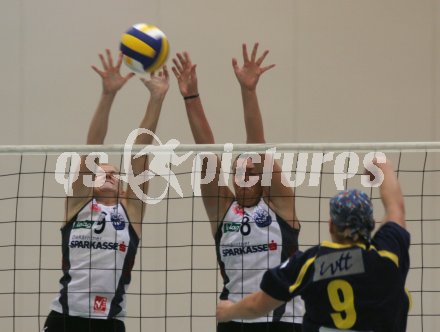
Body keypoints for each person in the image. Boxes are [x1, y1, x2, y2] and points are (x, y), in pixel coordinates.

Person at [172, 43, 304, 332]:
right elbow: (207, 153)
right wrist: (191, 97)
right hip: (234, 318)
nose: (244, 172)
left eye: (251, 170)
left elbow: (257, 146)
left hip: (282, 321)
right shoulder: (223, 210)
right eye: (238, 170)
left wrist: (248, 91)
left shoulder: (280, 205)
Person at [43, 49, 169, 332]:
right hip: (64, 319)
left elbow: (140, 151)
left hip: (109, 322)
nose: (109, 173)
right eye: (103, 171)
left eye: (115, 173)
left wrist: (156, 98)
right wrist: (108, 95)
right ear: (90, 182)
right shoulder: (78, 205)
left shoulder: (131, 211)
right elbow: (93, 146)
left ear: (124, 186)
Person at [216, 159, 411, 332]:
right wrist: (383, 166)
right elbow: (396, 209)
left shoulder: (311, 263)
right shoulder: (387, 256)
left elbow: (258, 305)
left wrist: (228, 311)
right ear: (372, 224)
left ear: (331, 225)